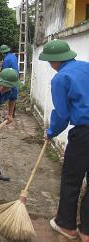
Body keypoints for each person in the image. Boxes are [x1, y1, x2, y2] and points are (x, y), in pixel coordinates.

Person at [39, 39, 89, 242]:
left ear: (55, 61)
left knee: (71, 180)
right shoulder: (86, 67)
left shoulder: (61, 78)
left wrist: (51, 132)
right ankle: (86, 230)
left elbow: (62, 115)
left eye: (50, 61)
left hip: (84, 134)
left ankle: (66, 225)